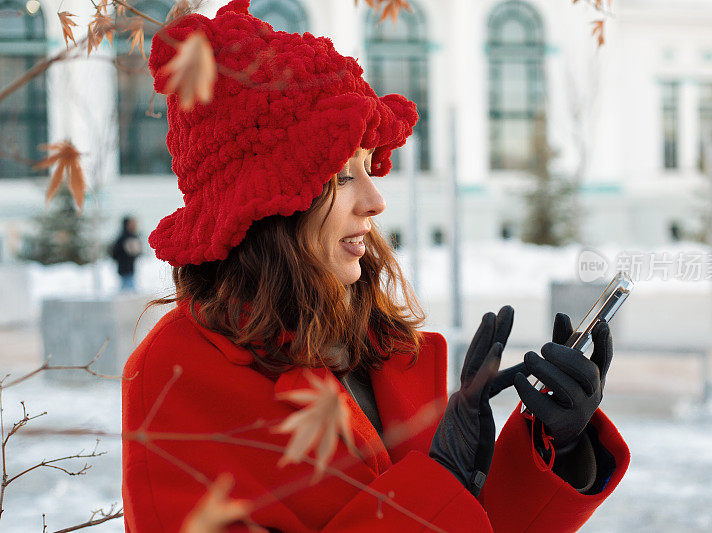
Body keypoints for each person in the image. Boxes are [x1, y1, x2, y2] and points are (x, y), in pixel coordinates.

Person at [121, 1, 629, 531]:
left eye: (368, 166)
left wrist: (558, 444)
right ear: (264, 201)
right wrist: (437, 484)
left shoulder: (380, 347)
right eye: (342, 176)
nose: (374, 199)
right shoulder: (176, 376)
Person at [110, 215, 142, 292]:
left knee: (127, 291)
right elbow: (115, 253)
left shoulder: (132, 236)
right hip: (125, 269)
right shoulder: (124, 238)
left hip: (129, 269)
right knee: (127, 292)